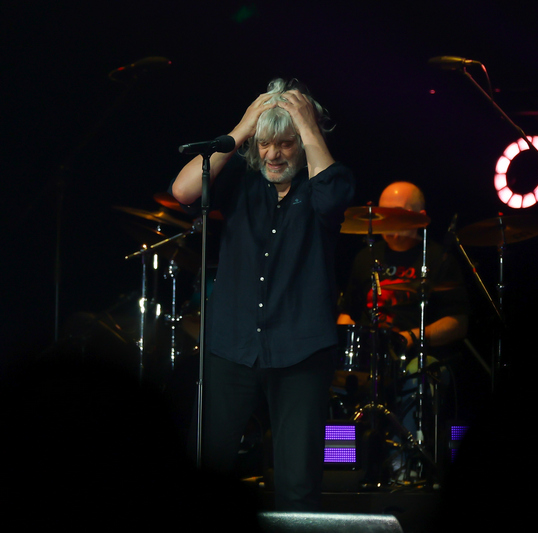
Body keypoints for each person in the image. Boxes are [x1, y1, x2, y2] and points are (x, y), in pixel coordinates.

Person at [170, 78, 354, 511]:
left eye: (286, 144)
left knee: (298, 485)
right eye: (266, 143)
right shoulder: (241, 179)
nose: (273, 154)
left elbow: (332, 201)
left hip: (301, 349)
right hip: (231, 344)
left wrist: (307, 125)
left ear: (303, 143)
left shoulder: (325, 181)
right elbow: (183, 191)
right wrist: (242, 127)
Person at [337, 182, 469, 479]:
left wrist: (410, 338)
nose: (387, 220)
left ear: (420, 217)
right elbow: (348, 312)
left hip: (418, 356)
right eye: (383, 213)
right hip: (369, 357)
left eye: (396, 213)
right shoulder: (366, 258)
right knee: (333, 380)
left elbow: (458, 323)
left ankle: (405, 469)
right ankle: (342, 467)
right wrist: (343, 348)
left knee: (416, 378)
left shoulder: (438, 259)